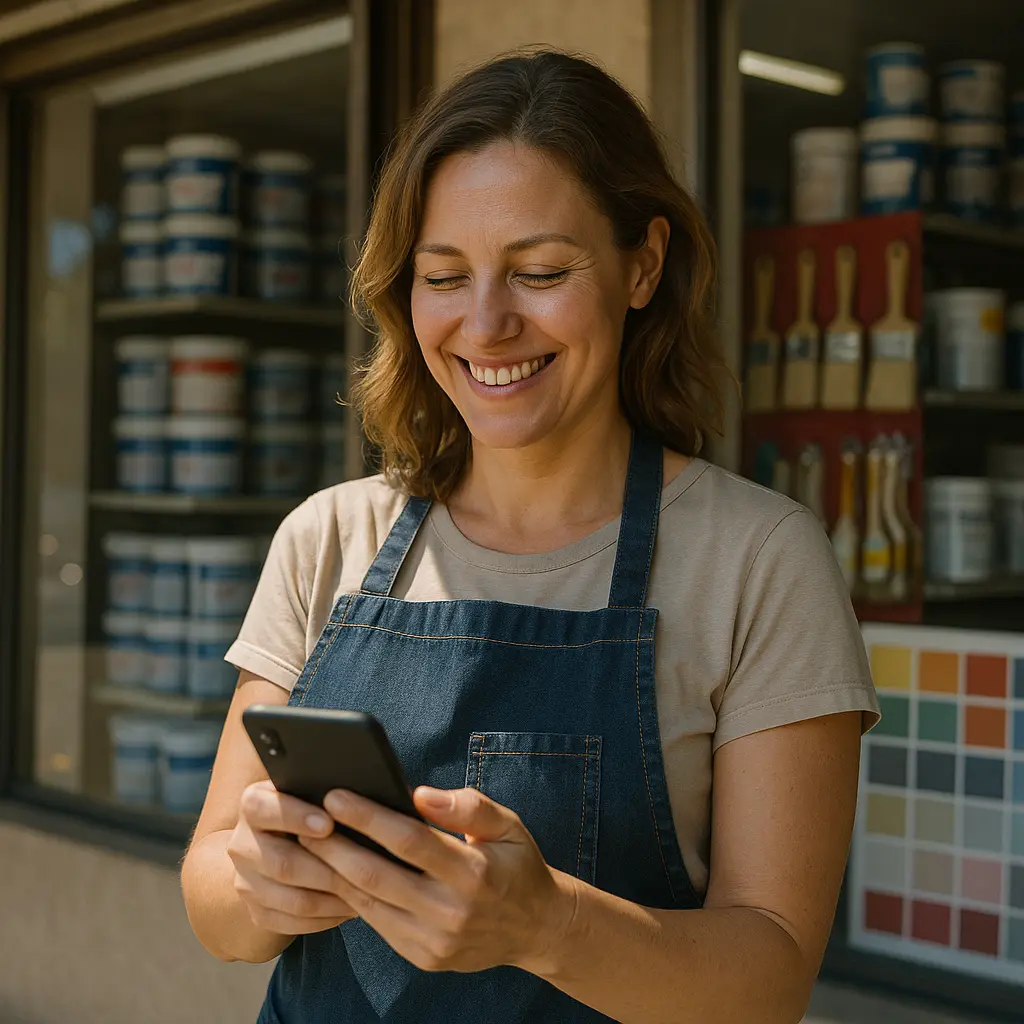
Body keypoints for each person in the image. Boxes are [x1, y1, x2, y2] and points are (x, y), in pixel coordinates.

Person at [180, 49, 879, 1024]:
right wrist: (260, 885)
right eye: (443, 275)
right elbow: (213, 893)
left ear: (643, 265)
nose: (486, 322)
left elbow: (768, 979)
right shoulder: (327, 537)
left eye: (540, 270)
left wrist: (546, 926)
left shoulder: (758, 559)